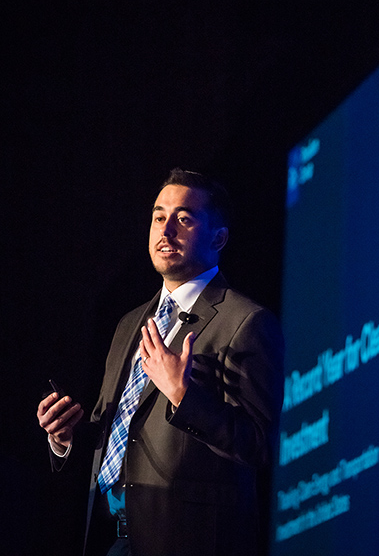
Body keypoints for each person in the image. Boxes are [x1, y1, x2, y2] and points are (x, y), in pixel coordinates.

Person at [37, 168, 284, 556]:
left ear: (218, 237)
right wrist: (65, 438)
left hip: (185, 540)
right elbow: (118, 434)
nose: (165, 230)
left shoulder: (246, 322)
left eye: (183, 219)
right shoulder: (129, 324)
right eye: (158, 217)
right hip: (109, 537)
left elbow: (258, 445)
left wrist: (183, 394)